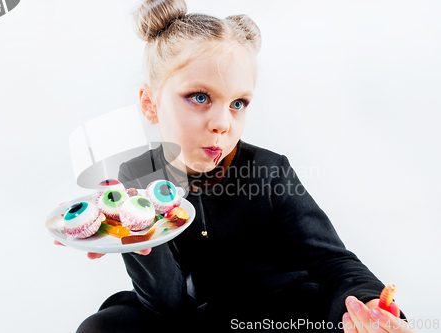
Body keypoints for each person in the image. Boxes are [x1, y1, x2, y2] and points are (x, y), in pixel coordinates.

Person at [57, 0, 416, 332]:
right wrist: (136, 240)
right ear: (150, 103)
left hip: (278, 309)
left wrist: (368, 305)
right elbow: (166, 302)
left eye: (238, 103)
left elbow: (333, 261)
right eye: (200, 97)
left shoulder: (268, 169)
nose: (222, 123)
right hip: (199, 312)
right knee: (105, 326)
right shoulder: (137, 177)